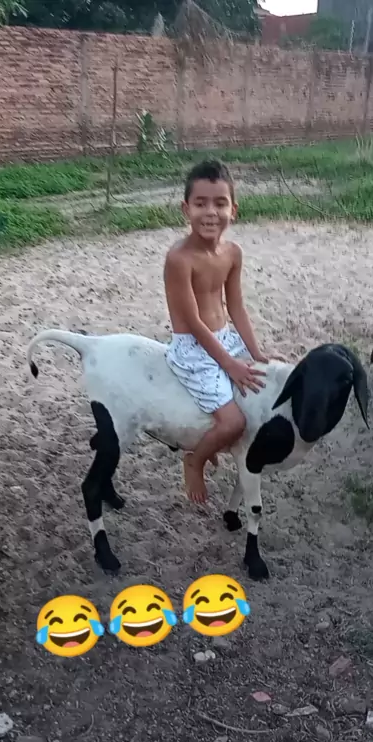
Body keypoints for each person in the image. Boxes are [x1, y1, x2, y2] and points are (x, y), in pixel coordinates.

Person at [164, 159, 281, 505]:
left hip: (225, 337)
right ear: (186, 209)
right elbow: (193, 322)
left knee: (266, 380)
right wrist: (229, 364)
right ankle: (195, 460)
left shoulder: (232, 253)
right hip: (193, 348)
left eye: (220, 203)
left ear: (234, 210)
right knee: (233, 423)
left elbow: (237, 307)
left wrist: (255, 352)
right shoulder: (179, 259)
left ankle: (221, 446)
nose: (210, 212)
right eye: (200, 203)